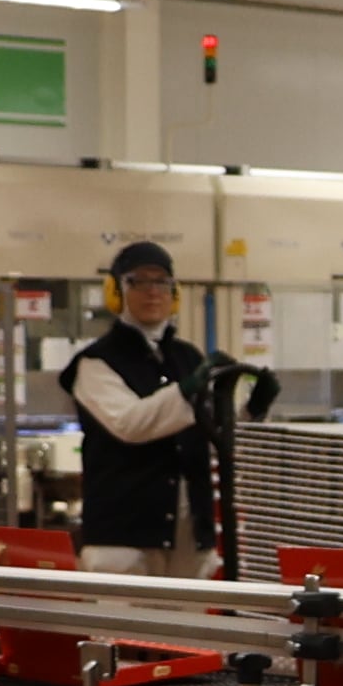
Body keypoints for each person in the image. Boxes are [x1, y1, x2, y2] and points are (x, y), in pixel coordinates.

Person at [65, 241, 218, 575]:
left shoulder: (188, 357)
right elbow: (131, 424)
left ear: (174, 292)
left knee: (191, 612)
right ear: (116, 291)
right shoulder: (95, 363)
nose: (152, 292)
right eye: (139, 281)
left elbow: (212, 432)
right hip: (122, 538)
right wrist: (186, 391)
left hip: (187, 537)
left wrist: (250, 410)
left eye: (161, 282)